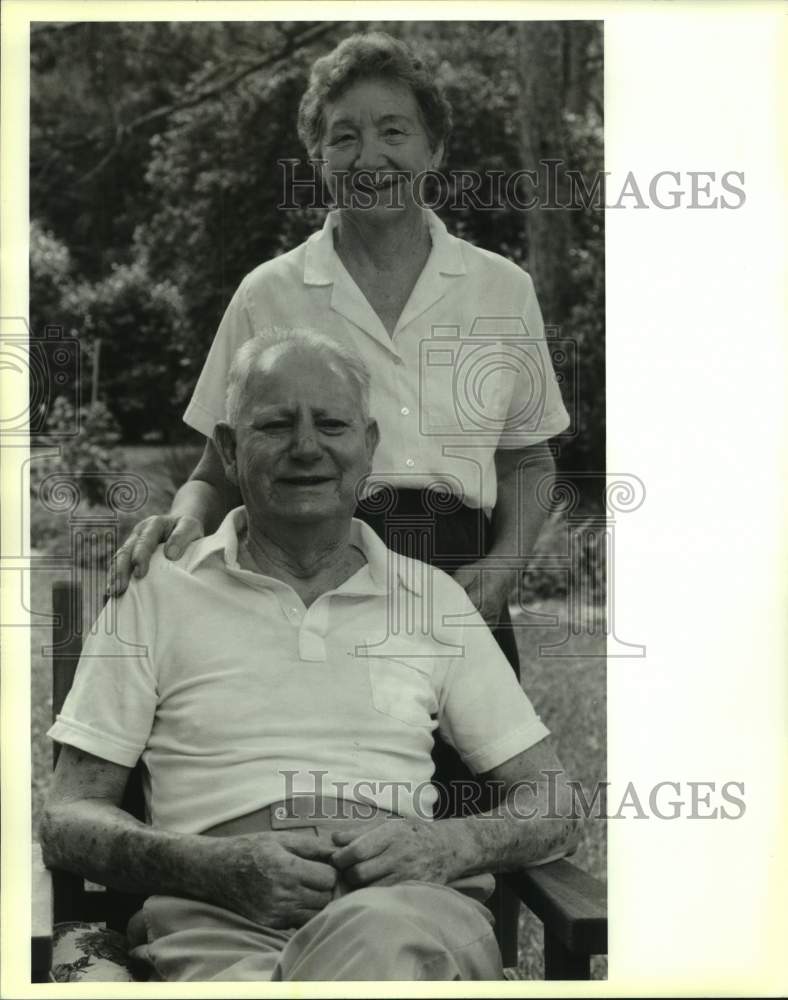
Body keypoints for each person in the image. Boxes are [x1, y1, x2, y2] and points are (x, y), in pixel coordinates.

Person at [42, 331, 578, 982]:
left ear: (369, 447)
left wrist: (451, 844)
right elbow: (70, 814)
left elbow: (553, 801)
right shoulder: (156, 592)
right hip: (219, 925)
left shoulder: (432, 601)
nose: (306, 447)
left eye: (331, 424)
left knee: (382, 942)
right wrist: (207, 867)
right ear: (232, 451)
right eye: (275, 423)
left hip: (406, 909)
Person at [109, 30, 570, 675]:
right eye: (343, 136)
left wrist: (503, 568)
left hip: (459, 584)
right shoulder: (267, 293)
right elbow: (217, 471)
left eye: (393, 131)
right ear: (318, 157)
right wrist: (181, 522)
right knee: (322, 773)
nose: (369, 156)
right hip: (305, 575)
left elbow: (528, 461)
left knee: (480, 774)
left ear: (434, 149)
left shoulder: (502, 289)